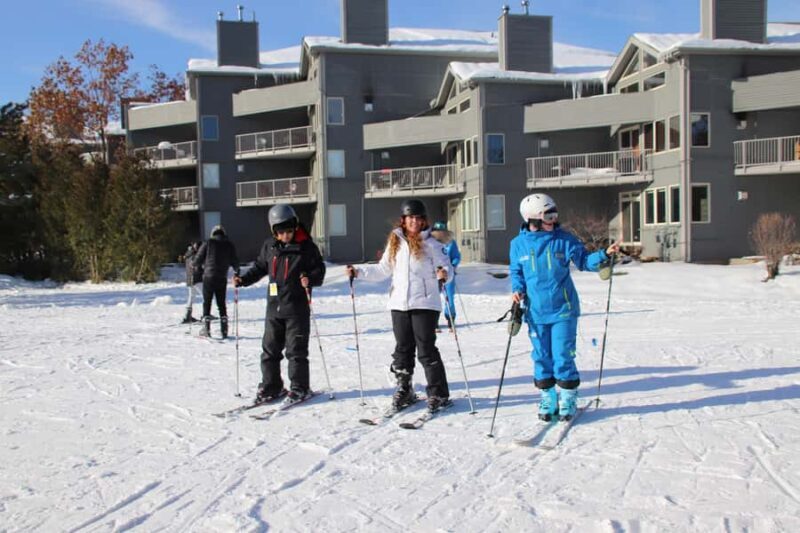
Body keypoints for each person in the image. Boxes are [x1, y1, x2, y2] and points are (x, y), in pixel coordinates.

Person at [509, 193, 619, 422]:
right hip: (535, 312)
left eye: (555, 214)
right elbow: (516, 272)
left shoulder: (564, 239)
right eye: (549, 215)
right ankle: (548, 397)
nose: (554, 219)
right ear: (533, 219)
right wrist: (517, 289)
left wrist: (604, 255)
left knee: (562, 355)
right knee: (541, 356)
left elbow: (583, 261)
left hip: (563, 309)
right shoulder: (517, 245)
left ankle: (568, 396)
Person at [346, 199, 452, 414]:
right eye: (410, 218)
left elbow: (447, 268)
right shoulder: (396, 242)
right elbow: (383, 269)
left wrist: (444, 274)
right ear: (403, 220)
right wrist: (358, 271)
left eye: (418, 218)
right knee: (402, 350)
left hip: (425, 303)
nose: (414, 221)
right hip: (399, 304)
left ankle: (438, 393)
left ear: (423, 221)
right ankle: (405, 389)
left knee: (426, 349)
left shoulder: (432, 244)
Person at [233, 205, 325, 406]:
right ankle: (271, 386)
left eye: (289, 231)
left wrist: (309, 278)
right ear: (274, 231)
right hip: (274, 308)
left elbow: (319, 271)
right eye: (281, 232)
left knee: (295, 351)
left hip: (296, 309)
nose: (286, 235)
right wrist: (244, 280)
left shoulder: (307, 248)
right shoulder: (270, 247)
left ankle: (300, 388)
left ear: (295, 226)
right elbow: (259, 267)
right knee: (269, 350)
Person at [193, 225, 240, 339]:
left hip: (208, 277)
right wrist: (237, 272)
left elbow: (197, 260)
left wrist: (195, 266)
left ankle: (206, 328)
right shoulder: (229, 245)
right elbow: (235, 262)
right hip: (221, 277)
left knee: (207, 302)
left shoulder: (208, 243)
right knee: (221, 304)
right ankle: (224, 330)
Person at [431, 221, 461, 332]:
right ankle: (434, 323)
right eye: (437, 231)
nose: (439, 234)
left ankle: (451, 320)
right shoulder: (431, 243)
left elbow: (456, 256)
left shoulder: (450, 243)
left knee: (449, 299)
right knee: (434, 298)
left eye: (441, 231)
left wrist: (452, 266)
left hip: (448, 275)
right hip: (434, 275)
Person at [181, 241, 203, 324]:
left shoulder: (188, 254)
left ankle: (188, 315)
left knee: (191, 296)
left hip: (190, 279)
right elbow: (196, 267)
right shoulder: (194, 255)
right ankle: (206, 314)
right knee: (206, 296)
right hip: (196, 278)